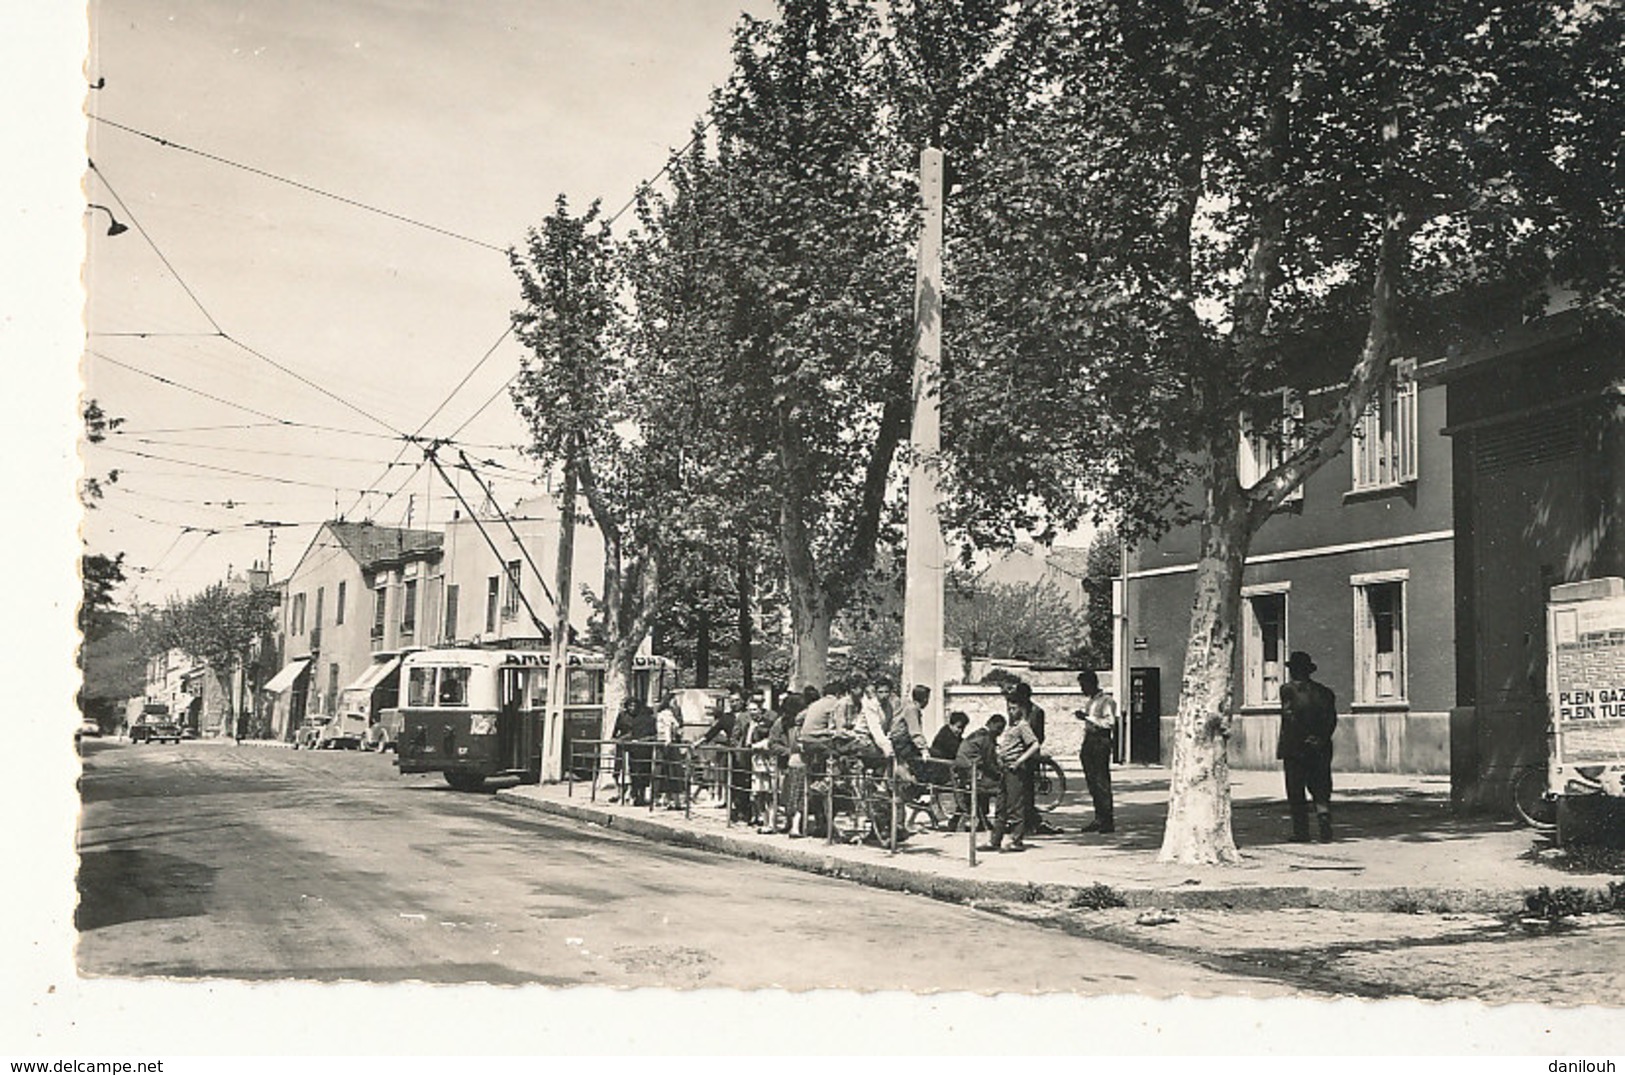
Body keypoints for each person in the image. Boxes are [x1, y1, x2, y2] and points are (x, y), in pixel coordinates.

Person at [1278, 651, 1338, 842]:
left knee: (1296, 789)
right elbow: (1332, 719)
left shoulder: (1287, 690)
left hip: (1296, 746)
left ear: (1293, 670)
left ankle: (1301, 832)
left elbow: (1290, 716)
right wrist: (1320, 738)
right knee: (1320, 785)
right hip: (1321, 746)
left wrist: (1305, 737)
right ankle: (1324, 820)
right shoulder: (1325, 692)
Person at [1007, 682, 1061, 836]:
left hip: (1030, 754)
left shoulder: (1037, 712)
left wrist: (1031, 749)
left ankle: (1029, 821)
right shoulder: (1015, 709)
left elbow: (1040, 736)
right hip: (1017, 752)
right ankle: (1021, 820)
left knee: (1028, 788)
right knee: (1018, 789)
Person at [984, 708, 1038, 852]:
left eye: (1014, 708)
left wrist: (1019, 761)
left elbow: (1034, 745)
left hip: (1015, 769)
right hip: (1004, 768)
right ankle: (995, 840)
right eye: (1009, 707)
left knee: (1015, 805)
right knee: (1001, 805)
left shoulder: (1022, 726)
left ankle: (1016, 840)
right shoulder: (1011, 726)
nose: (1011, 711)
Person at [1074, 669, 1118, 833]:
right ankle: (1099, 817)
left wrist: (1087, 717)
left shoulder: (1107, 701)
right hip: (1090, 740)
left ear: (1092, 684)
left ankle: (1107, 819)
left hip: (1101, 740)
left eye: (1084, 685)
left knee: (1101, 781)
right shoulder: (1091, 702)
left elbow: (1110, 723)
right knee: (1092, 781)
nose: (1082, 689)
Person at [951, 712, 1003, 834]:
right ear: (990, 724)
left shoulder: (978, 734)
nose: (999, 732)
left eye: (1001, 730)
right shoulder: (986, 738)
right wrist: (1000, 773)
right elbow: (989, 763)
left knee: (988, 783)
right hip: (971, 774)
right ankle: (1001, 821)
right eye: (998, 728)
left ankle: (980, 819)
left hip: (964, 773)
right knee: (1002, 787)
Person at [889, 685, 931, 783]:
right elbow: (915, 732)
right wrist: (924, 749)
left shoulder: (907, 706)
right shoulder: (912, 709)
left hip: (899, 741)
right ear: (925, 699)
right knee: (920, 767)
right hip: (902, 742)